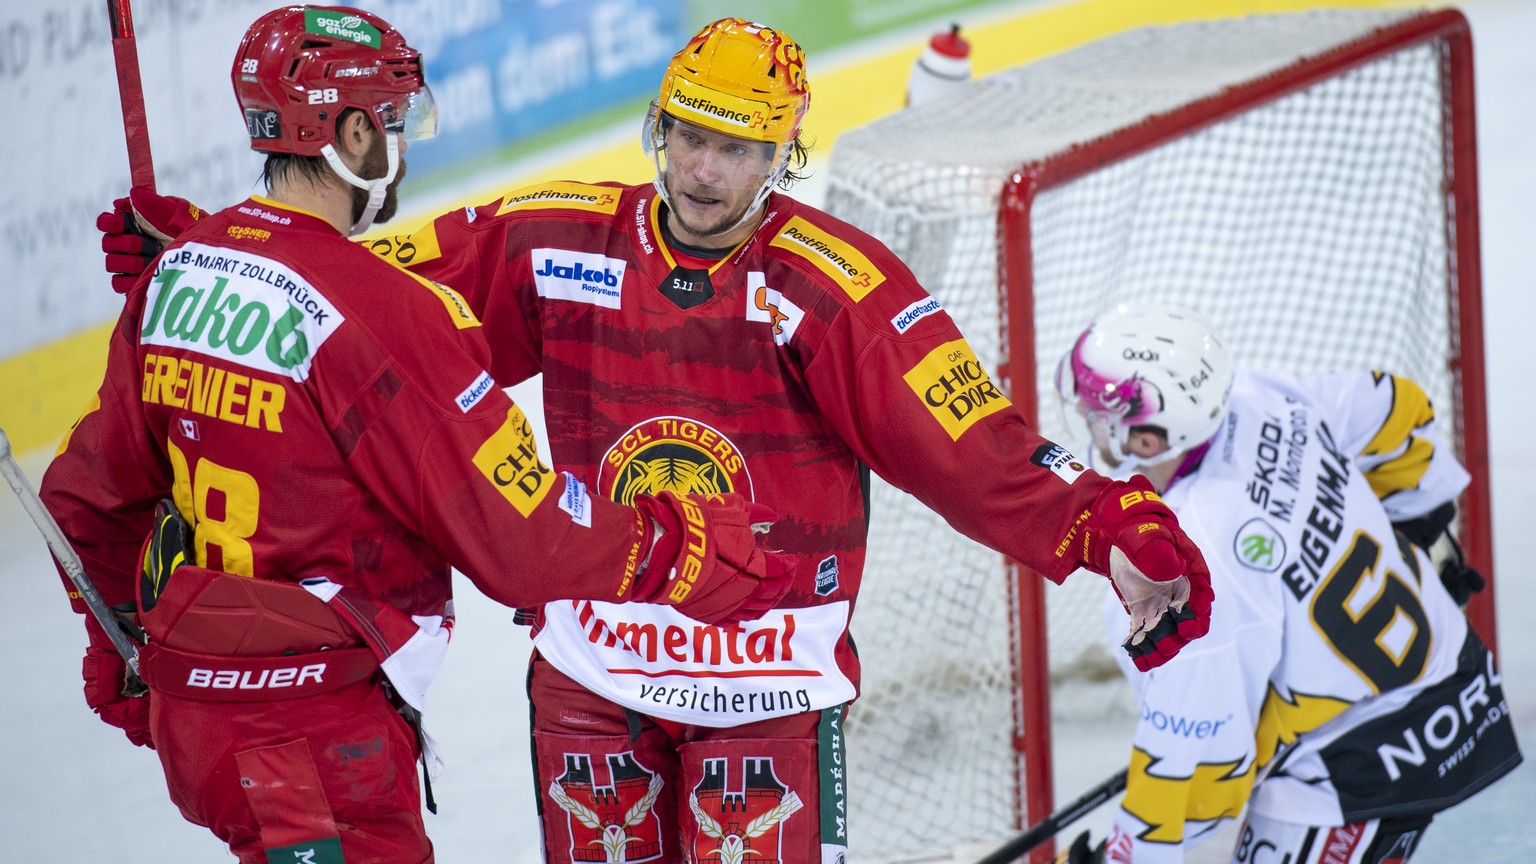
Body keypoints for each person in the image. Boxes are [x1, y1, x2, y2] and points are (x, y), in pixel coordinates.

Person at [99, 18, 1216, 862]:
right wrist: (216, 255)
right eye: (684, 137)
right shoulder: (557, 240)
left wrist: (1101, 524)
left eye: (734, 148)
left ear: (783, 152)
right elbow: (356, 301)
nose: (699, 170)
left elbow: (975, 446)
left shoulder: (836, 292)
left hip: (764, 694)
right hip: (593, 678)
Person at [44, 7, 793, 864]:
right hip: (315, 747)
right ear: (351, 131)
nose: (403, 145)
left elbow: (86, 500)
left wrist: (125, 643)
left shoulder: (179, 273)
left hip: (203, 729)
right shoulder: (387, 315)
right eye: (396, 123)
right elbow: (520, 540)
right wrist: (687, 544)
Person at [1052, 302, 1520, 863]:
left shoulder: (1179, 571)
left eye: (1101, 418)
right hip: (1450, 680)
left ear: (1149, 440)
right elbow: (1396, 411)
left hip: (1356, 768)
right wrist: (1427, 531)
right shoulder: (1261, 398)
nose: (1093, 430)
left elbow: (1201, 754)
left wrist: (1126, 853)